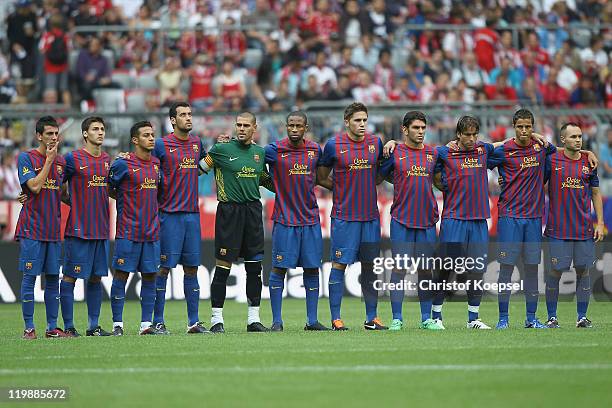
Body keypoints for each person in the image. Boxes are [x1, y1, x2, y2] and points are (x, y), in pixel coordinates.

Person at [199, 112, 272, 333]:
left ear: (254, 128)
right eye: (238, 125)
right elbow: (199, 168)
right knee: (222, 269)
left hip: (252, 212)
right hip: (229, 212)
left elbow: (267, 181)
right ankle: (216, 321)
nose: (241, 128)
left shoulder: (260, 154)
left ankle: (253, 320)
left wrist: (294, 182)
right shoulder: (220, 150)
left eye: (246, 125)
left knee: (254, 269)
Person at [317, 102, 386, 331]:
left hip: (370, 217)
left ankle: (372, 318)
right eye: (358, 120)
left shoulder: (376, 143)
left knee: (369, 267)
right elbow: (321, 175)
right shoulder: (334, 145)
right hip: (344, 217)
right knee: (339, 265)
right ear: (347, 121)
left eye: (365, 120)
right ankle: (336, 318)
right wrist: (341, 189)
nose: (362, 124)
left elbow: (378, 176)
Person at [488, 109, 558, 329]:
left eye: (528, 126)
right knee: (506, 269)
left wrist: (540, 138)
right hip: (509, 217)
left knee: (531, 268)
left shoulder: (541, 148)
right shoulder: (504, 150)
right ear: (513, 127)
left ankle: (531, 318)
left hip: (534, 218)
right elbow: (481, 154)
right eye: (520, 127)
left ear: (533, 127)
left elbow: (559, 150)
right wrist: (502, 142)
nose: (524, 131)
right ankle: (503, 319)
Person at [377, 111, 444, 331]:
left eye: (423, 128)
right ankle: (397, 318)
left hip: (426, 220)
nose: (421, 132)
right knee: (399, 269)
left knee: (425, 270)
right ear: (405, 130)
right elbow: (378, 176)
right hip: (401, 220)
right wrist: (390, 142)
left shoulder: (433, 154)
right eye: (416, 128)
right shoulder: (395, 153)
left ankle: (426, 319)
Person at [266, 111, 332, 332]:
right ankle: (277, 321)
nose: (294, 129)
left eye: (298, 126)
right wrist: (273, 185)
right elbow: (252, 160)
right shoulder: (274, 150)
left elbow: (323, 177)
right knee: (279, 269)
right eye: (291, 125)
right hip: (285, 220)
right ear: (286, 127)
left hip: (310, 219)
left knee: (312, 269)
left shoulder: (315, 150)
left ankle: (311, 321)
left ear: (306, 127)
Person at [152, 102, 208, 335]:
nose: (188, 118)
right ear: (173, 120)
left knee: (192, 269)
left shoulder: (197, 144)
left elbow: (202, 167)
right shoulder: (161, 145)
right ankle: (157, 321)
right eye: (183, 115)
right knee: (163, 269)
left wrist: (219, 150)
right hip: (169, 216)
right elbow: (148, 169)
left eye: (189, 114)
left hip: (192, 216)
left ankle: (193, 322)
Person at [544, 123, 605, 329]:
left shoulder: (589, 162)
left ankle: (582, 317)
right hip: (558, 228)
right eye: (573, 137)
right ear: (563, 140)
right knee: (556, 271)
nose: (578, 140)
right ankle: (552, 317)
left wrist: (600, 222)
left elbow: (596, 193)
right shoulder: (551, 160)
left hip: (584, 228)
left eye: (579, 136)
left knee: (583, 271)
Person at [60, 117, 112, 337]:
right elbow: (60, 188)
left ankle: (93, 326)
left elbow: (110, 190)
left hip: (101, 229)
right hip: (79, 229)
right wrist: (77, 204)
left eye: (102, 129)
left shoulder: (108, 159)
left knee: (96, 278)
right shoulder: (72, 159)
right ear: (84, 134)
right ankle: (69, 327)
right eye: (95, 129)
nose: (100, 133)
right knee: (70, 277)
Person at [108, 121, 162, 336]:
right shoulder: (123, 164)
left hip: (151, 232)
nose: (151, 138)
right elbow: (109, 188)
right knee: (121, 276)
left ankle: (145, 325)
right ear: (135, 140)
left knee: (150, 276)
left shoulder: (157, 164)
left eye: (152, 134)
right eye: (146, 135)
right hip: (128, 231)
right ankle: (117, 325)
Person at [16, 116, 67, 339]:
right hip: (32, 229)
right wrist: (48, 161)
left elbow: (63, 193)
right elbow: (35, 187)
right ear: (39, 136)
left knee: (53, 279)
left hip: (53, 230)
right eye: (49, 134)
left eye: (56, 134)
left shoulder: (62, 162)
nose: (54, 138)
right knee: (30, 278)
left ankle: (52, 328)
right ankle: (29, 328)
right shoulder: (26, 158)